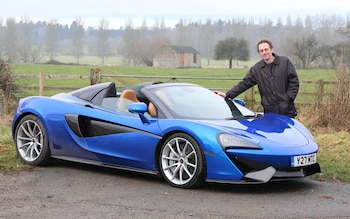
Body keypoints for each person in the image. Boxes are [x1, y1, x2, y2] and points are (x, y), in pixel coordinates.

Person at [216, 39, 299, 118]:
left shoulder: (285, 62)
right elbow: (244, 84)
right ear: (259, 53)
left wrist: (288, 99)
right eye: (261, 51)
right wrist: (228, 95)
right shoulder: (257, 69)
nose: (264, 52)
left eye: (266, 49)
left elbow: (294, 82)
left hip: (287, 111)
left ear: (271, 49)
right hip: (270, 112)